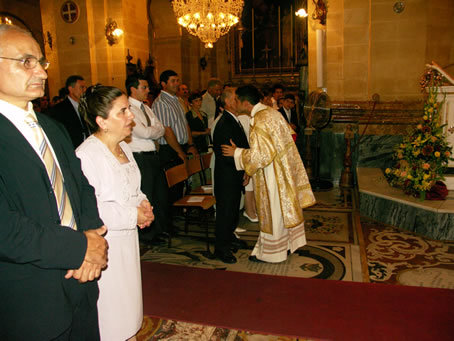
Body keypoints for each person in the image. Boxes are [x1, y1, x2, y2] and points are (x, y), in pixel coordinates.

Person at [0, 24, 108, 340]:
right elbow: (5, 229)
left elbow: (80, 187)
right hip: (30, 297)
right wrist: (79, 248)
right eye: (26, 61)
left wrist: (92, 237)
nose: (43, 73)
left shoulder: (52, 127)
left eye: (42, 63)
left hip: (80, 284)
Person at [76, 85, 154, 341]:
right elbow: (92, 209)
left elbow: (133, 187)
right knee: (112, 312)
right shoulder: (87, 155)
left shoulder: (124, 147)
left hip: (127, 242)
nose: (131, 116)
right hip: (105, 245)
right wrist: (134, 215)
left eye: (128, 109)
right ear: (102, 121)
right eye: (123, 111)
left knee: (129, 305)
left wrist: (143, 204)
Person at [222, 85, 316, 263]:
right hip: (282, 169)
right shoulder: (270, 112)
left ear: (245, 103)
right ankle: (286, 246)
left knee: (273, 212)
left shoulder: (260, 119)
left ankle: (273, 254)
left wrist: (237, 153)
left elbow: (262, 156)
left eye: (236, 100)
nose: (234, 103)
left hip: (271, 174)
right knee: (282, 210)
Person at [126, 74, 169, 246]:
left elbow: (161, 128)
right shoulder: (129, 108)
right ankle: (146, 235)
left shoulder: (146, 107)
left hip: (153, 156)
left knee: (158, 195)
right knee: (146, 195)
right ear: (133, 89)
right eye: (144, 87)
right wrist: (154, 130)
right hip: (140, 157)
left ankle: (158, 229)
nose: (148, 91)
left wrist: (153, 130)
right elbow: (143, 133)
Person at [213, 87, 249, 264]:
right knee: (225, 212)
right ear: (227, 102)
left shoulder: (234, 120)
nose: (239, 100)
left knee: (233, 210)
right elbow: (228, 154)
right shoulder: (224, 123)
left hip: (235, 173)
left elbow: (240, 148)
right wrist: (243, 166)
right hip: (227, 175)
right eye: (236, 98)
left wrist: (245, 170)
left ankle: (230, 238)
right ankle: (221, 248)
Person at [152, 70, 198, 202]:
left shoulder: (177, 100)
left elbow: (185, 124)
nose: (177, 84)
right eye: (173, 81)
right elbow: (166, 130)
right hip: (170, 149)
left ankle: (180, 214)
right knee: (172, 188)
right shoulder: (161, 102)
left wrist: (190, 145)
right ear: (163, 84)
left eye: (177, 80)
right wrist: (179, 151)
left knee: (181, 185)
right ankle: (172, 217)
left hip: (181, 147)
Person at [49, 74, 90, 148]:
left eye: (85, 87)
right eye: (81, 87)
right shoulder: (59, 109)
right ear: (71, 89)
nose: (84, 90)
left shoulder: (87, 106)